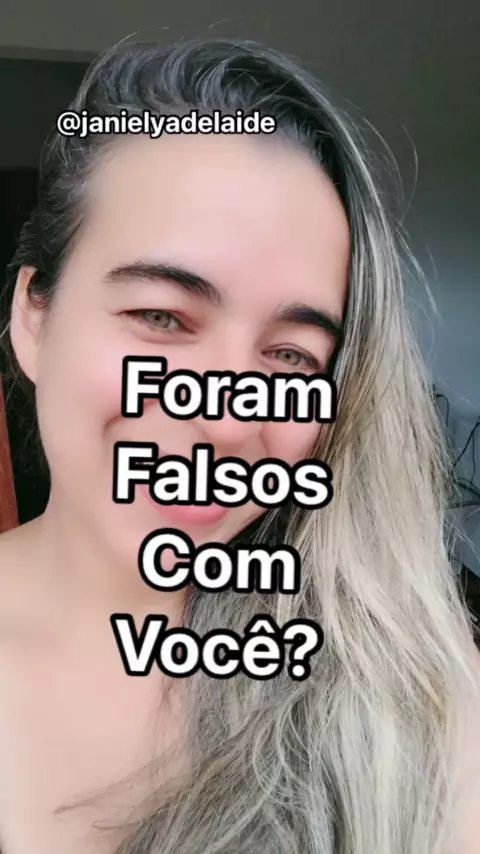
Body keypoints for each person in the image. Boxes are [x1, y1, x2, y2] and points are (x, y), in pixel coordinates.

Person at [0, 36, 478, 854]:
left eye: (290, 356)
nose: (225, 421)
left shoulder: (408, 689)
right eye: (160, 317)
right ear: (34, 317)